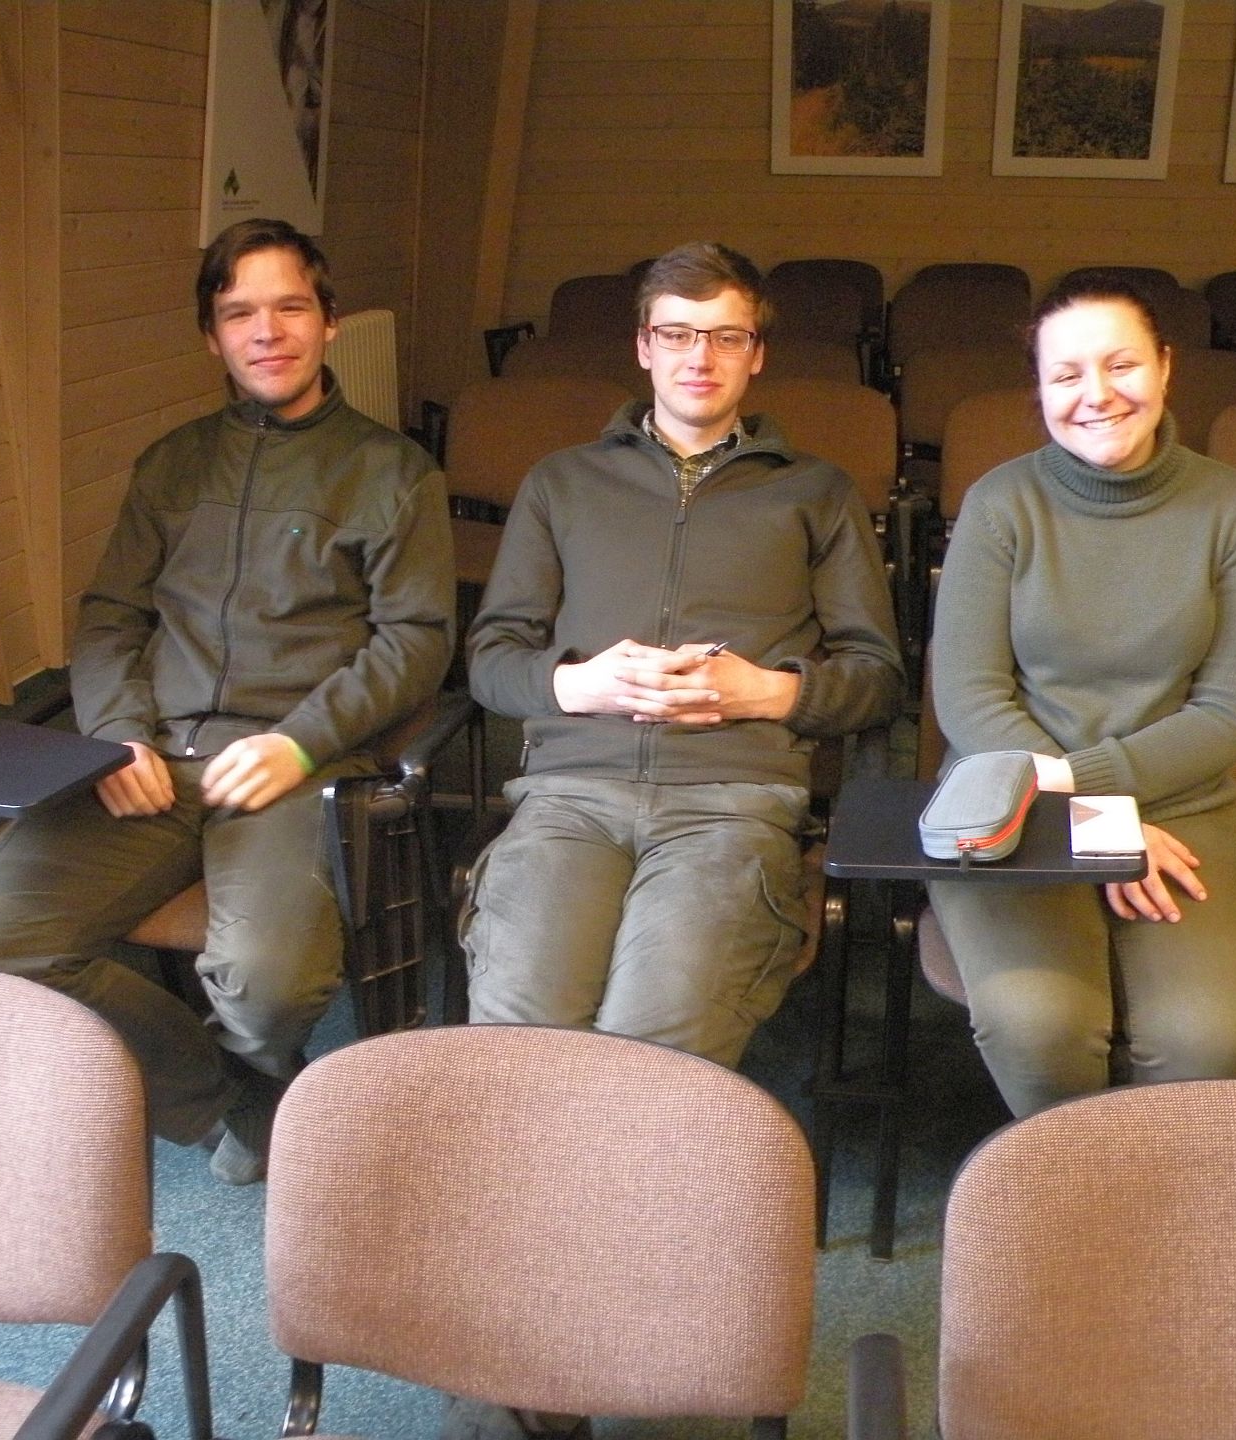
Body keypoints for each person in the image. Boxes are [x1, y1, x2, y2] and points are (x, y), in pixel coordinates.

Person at [450, 239, 901, 1439]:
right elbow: (490, 657)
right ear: (643, 346)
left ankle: (574, 1352)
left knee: (650, 1050)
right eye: (678, 333)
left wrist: (771, 692)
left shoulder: (816, 493)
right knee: (525, 1042)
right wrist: (578, 685)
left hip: (732, 801)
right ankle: (535, 1340)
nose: (701, 356)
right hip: (571, 795)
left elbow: (877, 678)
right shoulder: (562, 482)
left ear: (757, 355)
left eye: (726, 335)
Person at [0, 218, 454, 1184]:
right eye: (239, 313)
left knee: (269, 989)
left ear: (330, 323)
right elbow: (110, 616)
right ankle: (229, 1097)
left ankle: (244, 1067)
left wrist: (301, 743)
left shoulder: (392, 473)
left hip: (292, 763)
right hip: (150, 757)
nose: (267, 332)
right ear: (211, 336)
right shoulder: (171, 465)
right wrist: (116, 737)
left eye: (290, 307)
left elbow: (417, 641)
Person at [926, 270, 1236, 1120]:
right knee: (1041, 1025)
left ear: (1165, 367)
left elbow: (1228, 715)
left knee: (1208, 1042)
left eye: (1121, 365)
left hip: (1184, 807)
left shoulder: (1235, 509)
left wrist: (1101, 804)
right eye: (1066, 374)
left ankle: (1150, 1187)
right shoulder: (1000, 503)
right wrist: (1101, 824)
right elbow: (969, 697)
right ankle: (1068, 1185)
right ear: (1040, 389)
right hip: (1013, 806)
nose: (1097, 395)